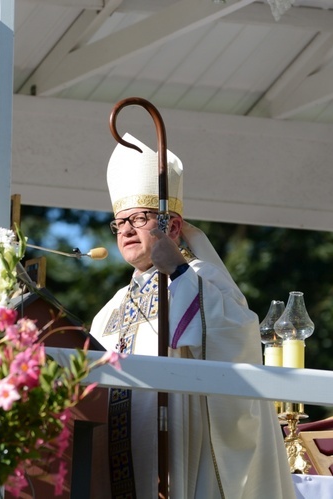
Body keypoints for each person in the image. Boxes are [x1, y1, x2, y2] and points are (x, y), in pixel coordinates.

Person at [90, 133, 295, 498]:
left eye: (138, 218)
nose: (125, 230)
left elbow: (238, 337)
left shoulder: (201, 277)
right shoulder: (111, 309)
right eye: (118, 223)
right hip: (120, 450)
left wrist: (179, 273)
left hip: (182, 451)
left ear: (171, 226)